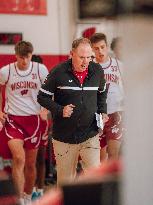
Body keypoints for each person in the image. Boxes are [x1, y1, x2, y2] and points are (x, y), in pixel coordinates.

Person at [37, 37, 108, 185]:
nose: (86, 62)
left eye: (89, 57)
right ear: (71, 54)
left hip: (90, 134)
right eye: (82, 57)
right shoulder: (58, 71)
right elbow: (42, 97)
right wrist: (59, 109)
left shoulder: (97, 70)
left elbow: (102, 92)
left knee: (95, 179)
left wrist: (103, 111)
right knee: (66, 183)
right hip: (64, 137)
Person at [0, 41, 48, 205]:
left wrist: (46, 108)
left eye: (27, 57)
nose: (25, 61)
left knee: (30, 163)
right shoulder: (6, 71)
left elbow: (51, 90)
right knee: (19, 158)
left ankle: (28, 195)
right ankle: (19, 198)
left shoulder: (40, 69)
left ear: (31, 55)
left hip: (33, 119)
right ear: (16, 55)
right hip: (13, 119)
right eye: (21, 58)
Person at [90, 33, 124, 161]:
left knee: (113, 153)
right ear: (92, 49)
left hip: (116, 113)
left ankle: (113, 180)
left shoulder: (119, 65)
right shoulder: (89, 67)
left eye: (102, 47)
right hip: (97, 115)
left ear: (107, 46)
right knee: (100, 159)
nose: (100, 51)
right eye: (96, 48)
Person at [31, 55, 49, 200]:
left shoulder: (46, 82)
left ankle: (41, 189)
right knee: (30, 160)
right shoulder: (24, 81)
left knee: (41, 158)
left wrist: (47, 111)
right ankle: (31, 189)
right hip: (28, 122)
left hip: (42, 122)